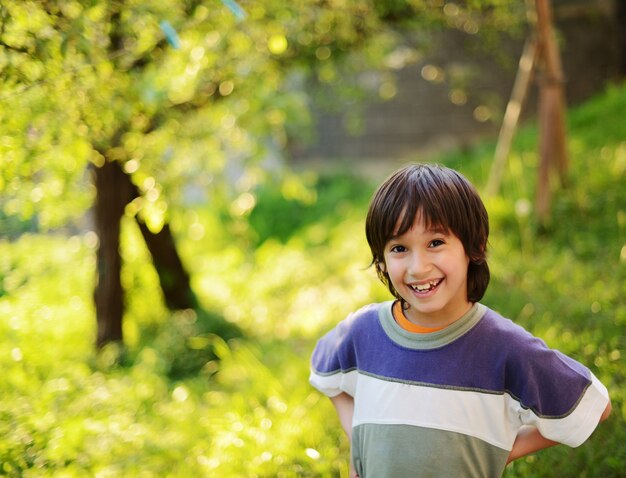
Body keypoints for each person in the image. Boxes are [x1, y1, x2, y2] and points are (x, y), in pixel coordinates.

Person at [309, 163, 611, 477]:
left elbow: (595, 406)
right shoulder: (364, 330)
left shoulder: (503, 346)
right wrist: (358, 436)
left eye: (435, 243)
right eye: (399, 248)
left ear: (474, 246)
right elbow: (324, 369)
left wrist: (506, 450)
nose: (418, 267)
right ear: (382, 262)